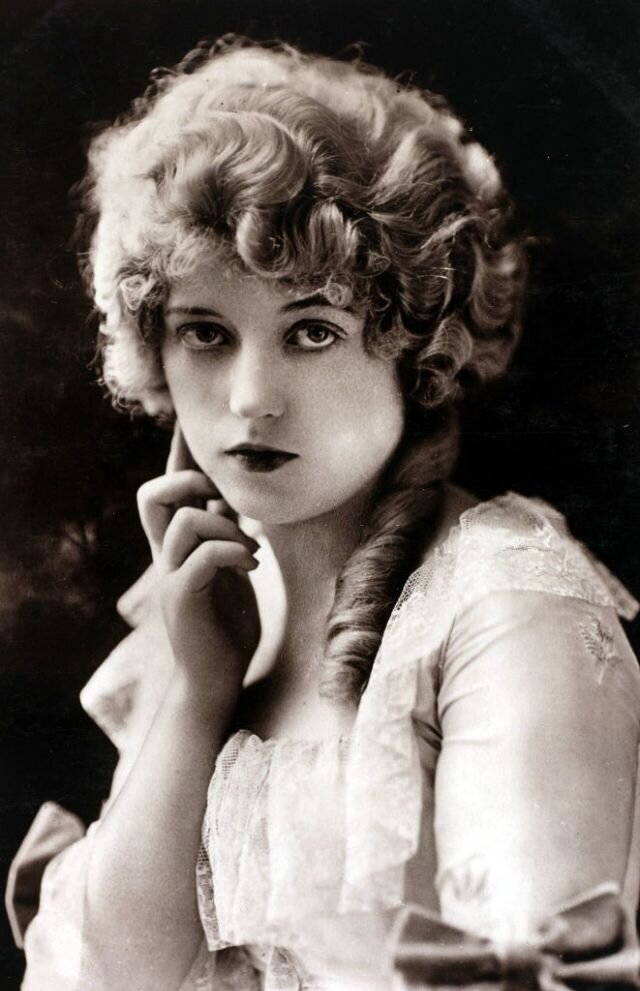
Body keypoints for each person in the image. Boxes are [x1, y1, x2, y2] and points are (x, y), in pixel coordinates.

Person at [7, 34, 640, 991]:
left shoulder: (504, 605)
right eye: (205, 332)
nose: (251, 397)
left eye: (312, 330)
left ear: (417, 348)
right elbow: (114, 974)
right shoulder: (207, 602)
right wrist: (198, 692)